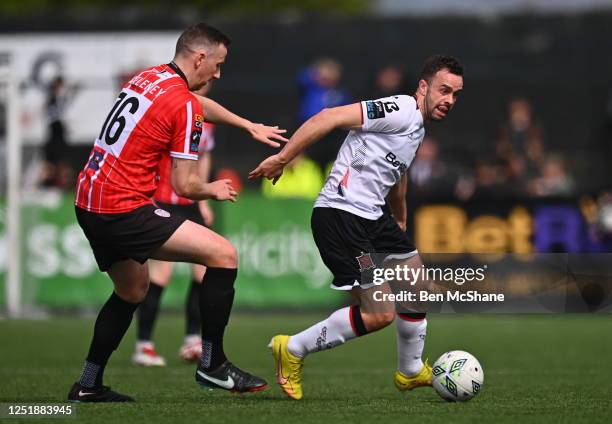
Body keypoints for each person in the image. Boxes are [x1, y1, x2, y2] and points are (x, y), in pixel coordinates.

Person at [69, 23, 288, 402]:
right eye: (217, 65)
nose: (218, 73)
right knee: (223, 254)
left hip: (89, 200)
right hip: (121, 206)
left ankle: (88, 384)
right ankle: (212, 364)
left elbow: (193, 102)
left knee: (132, 288)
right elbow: (185, 185)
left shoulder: (150, 77)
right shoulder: (183, 105)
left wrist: (246, 125)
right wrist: (213, 189)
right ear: (199, 58)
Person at [250, 55, 464, 400]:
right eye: (444, 90)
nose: (449, 100)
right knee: (380, 314)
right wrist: (283, 157)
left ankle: (409, 372)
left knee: (417, 285)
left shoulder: (417, 127)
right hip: (342, 217)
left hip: (373, 218)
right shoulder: (398, 108)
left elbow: (398, 173)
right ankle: (292, 348)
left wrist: (400, 218)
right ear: (423, 86)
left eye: (455, 95)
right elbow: (329, 116)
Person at [132, 83, 217, 367]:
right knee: (160, 274)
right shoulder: (172, 110)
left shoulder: (206, 118)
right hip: (163, 200)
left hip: (190, 202)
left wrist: (203, 199)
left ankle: (192, 339)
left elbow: (203, 157)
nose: (208, 82)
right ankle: (144, 344)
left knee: (204, 271)